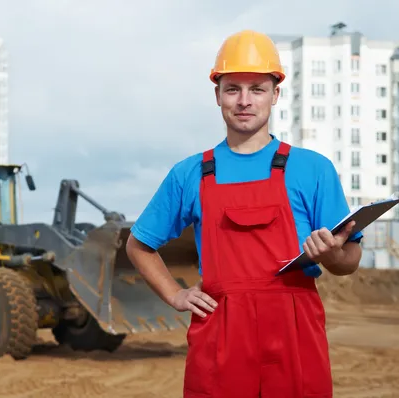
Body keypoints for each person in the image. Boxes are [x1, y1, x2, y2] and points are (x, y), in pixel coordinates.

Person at [125, 29, 363, 398]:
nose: (244, 101)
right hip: (221, 333)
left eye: (257, 89)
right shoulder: (189, 174)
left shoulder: (313, 169)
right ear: (217, 95)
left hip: (295, 333)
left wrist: (333, 254)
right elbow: (138, 245)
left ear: (275, 94)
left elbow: (349, 260)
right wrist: (175, 294)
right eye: (233, 88)